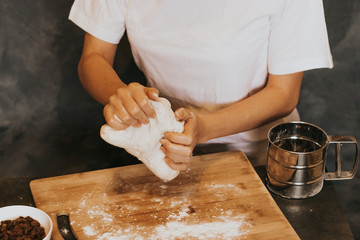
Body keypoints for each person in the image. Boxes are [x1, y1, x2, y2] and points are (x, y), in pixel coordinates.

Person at [69, 0, 333, 170]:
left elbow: (283, 94)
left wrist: (202, 129)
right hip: (161, 151)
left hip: (260, 159)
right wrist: (120, 97)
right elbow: (94, 57)